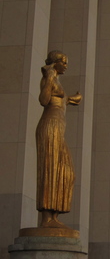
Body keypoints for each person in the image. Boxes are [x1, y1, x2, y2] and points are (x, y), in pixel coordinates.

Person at [36, 50, 81, 228]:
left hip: (58, 129)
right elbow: (44, 99)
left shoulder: (57, 81)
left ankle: (54, 215)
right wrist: (48, 76)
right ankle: (46, 217)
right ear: (55, 63)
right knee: (50, 169)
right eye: (64, 61)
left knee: (67, 173)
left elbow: (58, 100)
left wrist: (71, 99)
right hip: (50, 127)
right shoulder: (50, 78)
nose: (66, 65)